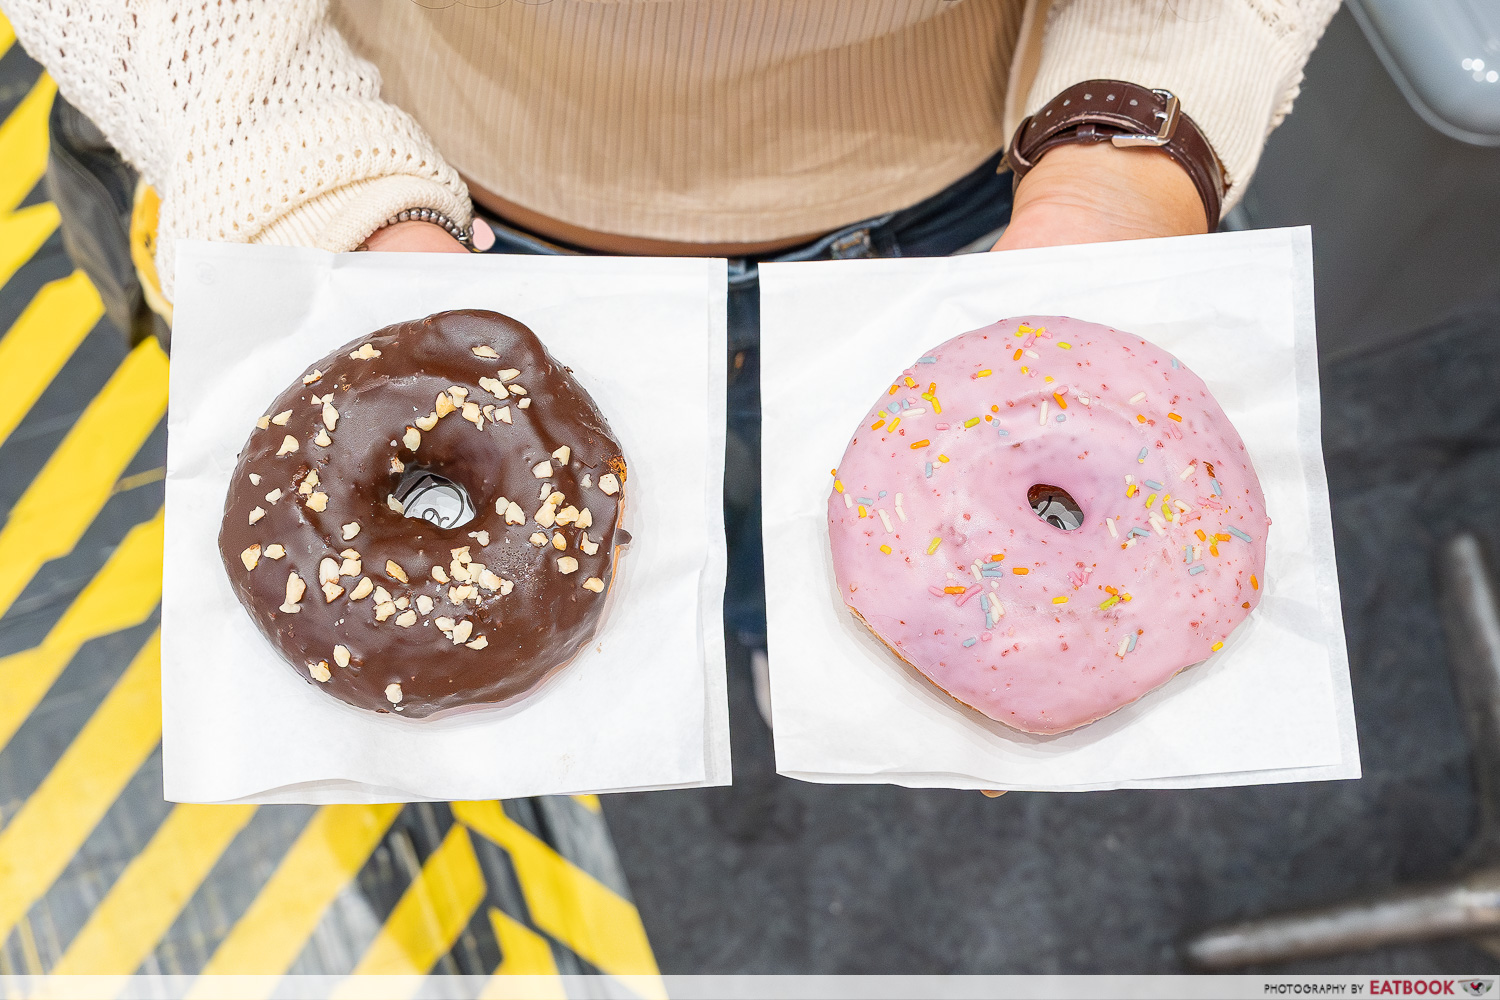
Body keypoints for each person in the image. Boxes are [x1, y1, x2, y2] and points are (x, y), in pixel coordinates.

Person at [5, 0, 1339, 712]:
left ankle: (769, 628)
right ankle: (740, 625)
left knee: (825, 545)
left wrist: (1127, 146)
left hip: (989, 186)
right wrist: (310, 194)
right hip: (401, 167)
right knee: (655, 557)